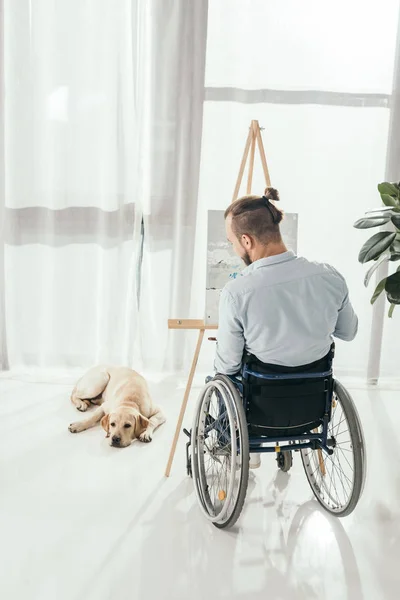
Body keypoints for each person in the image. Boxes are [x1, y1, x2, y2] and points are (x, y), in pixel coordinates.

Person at [214, 187, 358, 468]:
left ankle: (237, 446)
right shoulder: (329, 276)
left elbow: (228, 364)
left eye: (232, 242)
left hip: (261, 404)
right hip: (312, 401)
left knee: (222, 376)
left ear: (246, 240)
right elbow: (348, 332)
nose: (233, 248)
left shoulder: (237, 292)